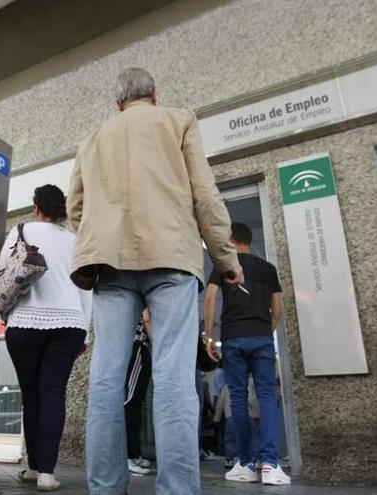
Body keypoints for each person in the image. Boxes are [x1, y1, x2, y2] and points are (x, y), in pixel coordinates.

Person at [68, 67, 242, 495]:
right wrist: (226, 258)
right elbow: (204, 193)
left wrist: (99, 241)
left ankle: (106, 488)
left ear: (118, 103)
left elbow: (76, 208)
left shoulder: (93, 138)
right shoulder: (178, 121)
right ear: (155, 95)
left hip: (110, 264)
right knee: (174, 379)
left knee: (107, 377)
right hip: (171, 259)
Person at [0, 184, 91, 492]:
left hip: (25, 321)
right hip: (69, 323)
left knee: (31, 394)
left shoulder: (20, 231)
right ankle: (46, 473)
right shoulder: (75, 241)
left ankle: (35, 465)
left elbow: (3, 272)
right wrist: (86, 331)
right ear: (62, 211)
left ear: (36, 207)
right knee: (53, 392)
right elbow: (85, 288)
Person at [203, 222, 291, 485]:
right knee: (266, 398)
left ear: (230, 240)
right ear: (249, 241)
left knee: (238, 400)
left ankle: (246, 463)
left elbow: (209, 298)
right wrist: (265, 329)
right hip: (261, 337)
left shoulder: (224, 266)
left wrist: (209, 336)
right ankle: (271, 465)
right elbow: (277, 308)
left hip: (233, 339)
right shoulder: (268, 268)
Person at [124, 312, 153, 476]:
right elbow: (146, 317)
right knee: (131, 402)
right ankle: (128, 456)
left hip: (141, 347)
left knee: (135, 403)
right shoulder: (141, 293)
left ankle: (134, 454)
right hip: (138, 345)